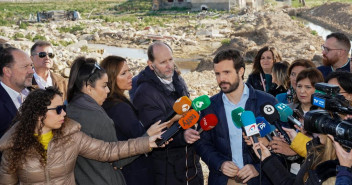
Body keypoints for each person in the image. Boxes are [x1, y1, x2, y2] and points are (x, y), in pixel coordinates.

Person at [0, 87, 161, 184]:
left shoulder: (71, 136)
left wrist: (146, 142)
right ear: (39, 114)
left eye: (63, 107)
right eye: (57, 109)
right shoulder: (13, 146)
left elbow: (107, 150)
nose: (64, 112)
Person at [194, 49, 278, 185]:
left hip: (260, 180)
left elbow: (280, 144)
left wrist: (259, 168)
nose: (221, 79)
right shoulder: (210, 106)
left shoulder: (266, 102)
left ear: (241, 71)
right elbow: (202, 144)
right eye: (217, 74)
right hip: (223, 180)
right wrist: (220, 164)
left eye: (227, 72)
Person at [66, 57, 147, 185]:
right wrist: (148, 139)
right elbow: (116, 158)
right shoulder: (97, 117)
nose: (108, 90)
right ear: (89, 87)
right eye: (104, 86)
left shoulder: (70, 108)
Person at [133, 41, 203, 185]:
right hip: (167, 170)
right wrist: (183, 135)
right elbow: (158, 134)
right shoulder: (144, 93)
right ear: (151, 65)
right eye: (163, 62)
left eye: (170, 59)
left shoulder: (177, 79)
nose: (169, 65)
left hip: (190, 163)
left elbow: (187, 110)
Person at [100, 55, 169, 185]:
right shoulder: (119, 107)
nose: (130, 75)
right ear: (110, 79)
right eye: (123, 73)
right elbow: (141, 139)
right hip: (135, 172)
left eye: (129, 70)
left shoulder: (108, 102)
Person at [0, 45, 34, 138]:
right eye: (25, 66)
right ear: (7, 71)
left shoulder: (33, 95)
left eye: (31, 65)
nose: (32, 71)